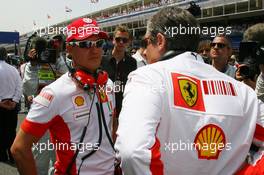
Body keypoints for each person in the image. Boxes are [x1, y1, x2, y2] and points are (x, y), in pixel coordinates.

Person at [115, 6, 264, 175]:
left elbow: (132, 152)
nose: (144, 51)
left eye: (145, 43)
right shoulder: (241, 90)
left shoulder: (147, 77)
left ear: (160, 40)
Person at [11, 18, 115, 175]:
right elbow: (19, 149)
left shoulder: (108, 84)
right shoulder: (54, 93)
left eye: (99, 43)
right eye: (85, 44)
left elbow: (112, 126)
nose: (94, 50)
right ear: (69, 49)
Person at [101, 25, 137, 141]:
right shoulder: (102, 60)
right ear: (113, 40)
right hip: (105, 107)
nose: (121, 42)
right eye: (118, 39)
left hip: (124, 108)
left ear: (129, 42)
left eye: (124, 40)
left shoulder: (132, 62)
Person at [0, 47, 22, 163]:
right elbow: (19, 86)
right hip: (12, 105)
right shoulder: (14, 69)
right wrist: (14, 101)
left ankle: (2, 155)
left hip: (1, 104)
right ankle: (12, 155)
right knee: (11, 131)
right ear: (6, 56)